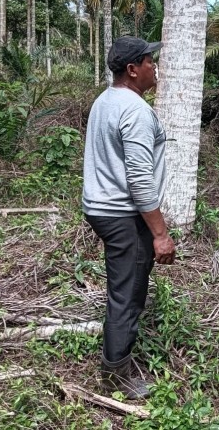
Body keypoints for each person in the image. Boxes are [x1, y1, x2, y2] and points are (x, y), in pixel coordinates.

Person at [82, 36, 176, 399]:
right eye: (149, 61)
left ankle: (116, 357)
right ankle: (115, 374)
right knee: (128, 294)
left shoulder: (105, 101)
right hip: (123, 215)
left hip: (101, 208)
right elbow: (138, 178)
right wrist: (160, 233)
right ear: (133, 69)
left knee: (122, 286)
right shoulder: (134, 111)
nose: (155, 67)